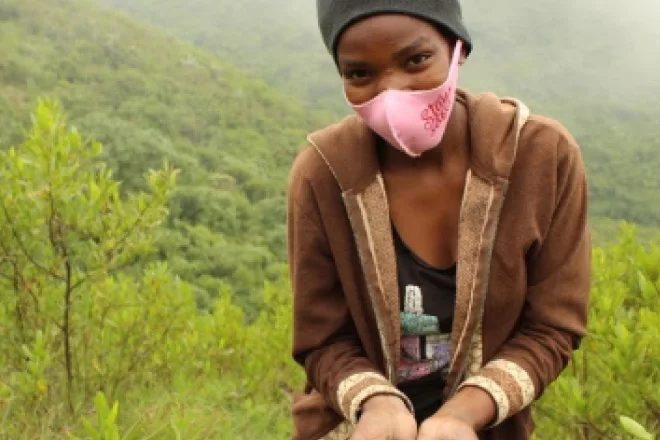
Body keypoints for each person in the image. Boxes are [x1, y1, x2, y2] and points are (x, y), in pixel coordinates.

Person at [287, 1, 591, 439]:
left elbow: (553, 326)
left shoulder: (543, 158)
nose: (391, 92)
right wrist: (377, 404)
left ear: (457, 48)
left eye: (416, 60)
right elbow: (322, 339)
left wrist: (461, 415)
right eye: (359, 74)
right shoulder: (323, 176)